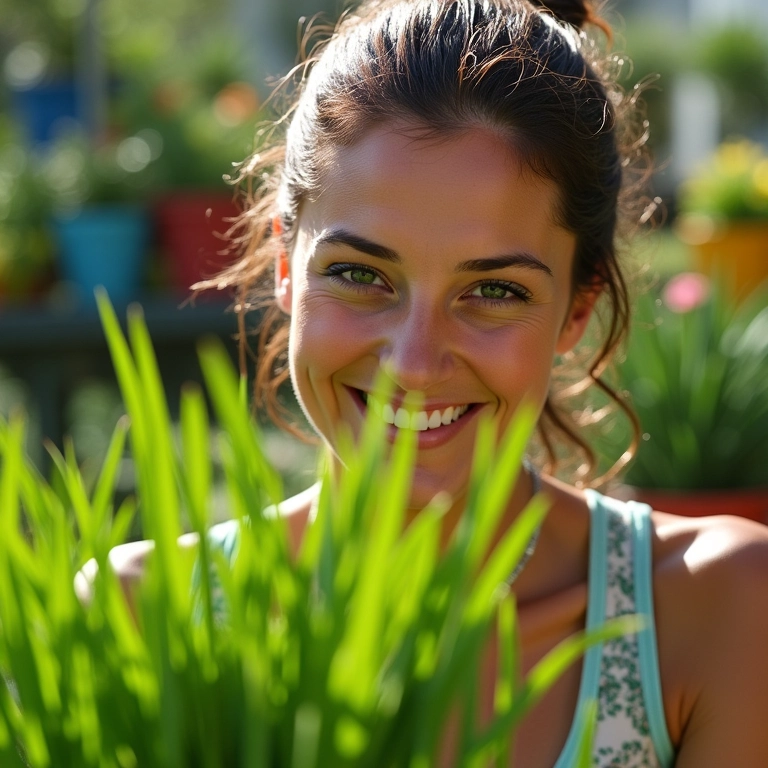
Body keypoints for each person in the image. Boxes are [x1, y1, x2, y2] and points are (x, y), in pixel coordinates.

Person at [105, 0, 768, 765]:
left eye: (494, 291)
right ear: (287, 267)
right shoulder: (140, 614)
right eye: (360, 275)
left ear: (577, 310)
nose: (415, 364)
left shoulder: (714, 610)